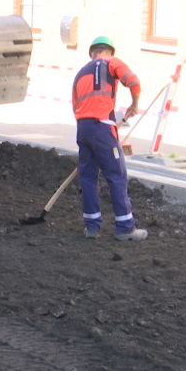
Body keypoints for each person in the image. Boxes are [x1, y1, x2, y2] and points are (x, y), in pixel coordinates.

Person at [72, 36, 147, 241]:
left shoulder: (80, 74)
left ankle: (92, 228)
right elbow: (133, 82)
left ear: (91, 53)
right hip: (103, 129)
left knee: (88, 178)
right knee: (116, 175)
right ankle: (125, 228)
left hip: (83, 129)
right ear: (110, 52)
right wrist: (135, 103)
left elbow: (75, 107)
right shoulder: (112, 62)